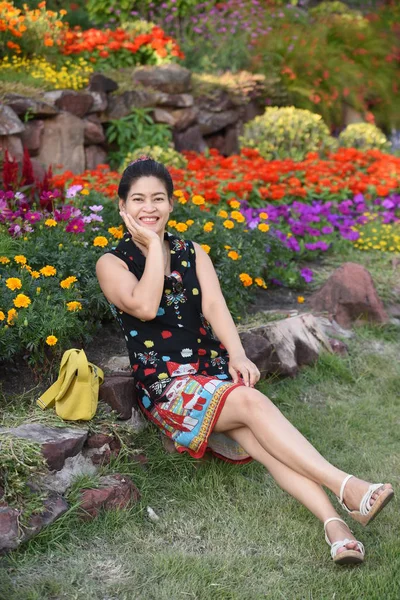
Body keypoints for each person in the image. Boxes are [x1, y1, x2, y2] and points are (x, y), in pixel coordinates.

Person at [96, 156, 394, 566]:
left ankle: (336, 528)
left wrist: (236, 353)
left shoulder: (191, 251)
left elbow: (216, 306)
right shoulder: (111, 263)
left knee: (268, 446)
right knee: (253, 405)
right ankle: (347, 487)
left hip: (211, 374)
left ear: (171, 204)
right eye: (139, 200)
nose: (150, 208)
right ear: (122, 208)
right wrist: (150, 247)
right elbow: (145, 306)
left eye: (158, 199)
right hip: (169, 389)